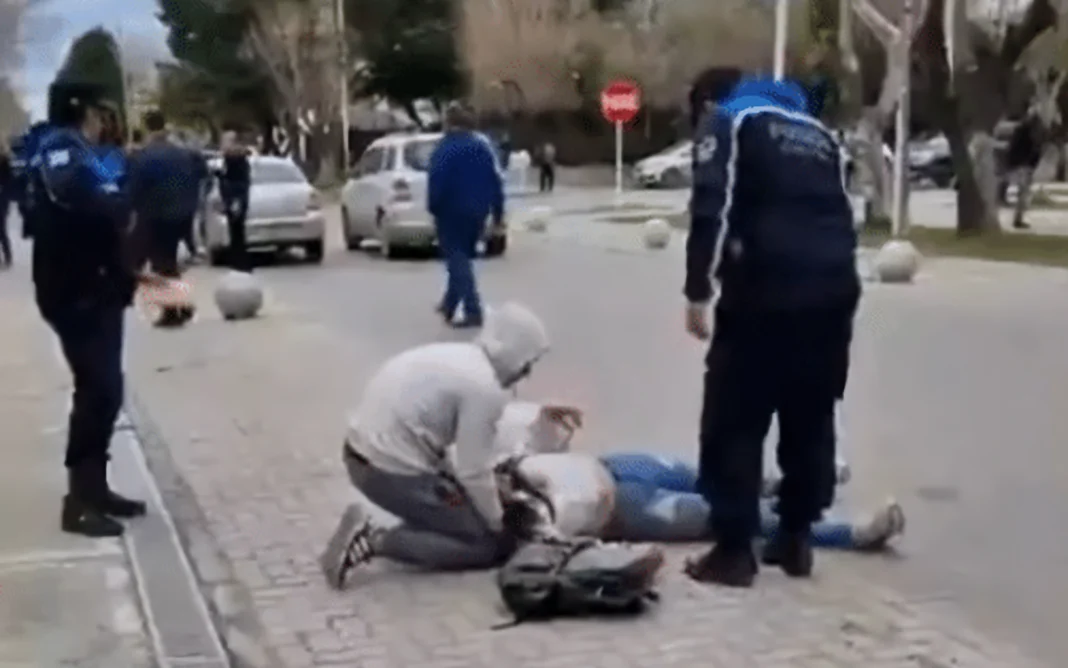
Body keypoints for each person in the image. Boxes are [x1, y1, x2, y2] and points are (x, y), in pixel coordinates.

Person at [683, 76, 861, 587]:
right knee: (811, 411)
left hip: (764, 289)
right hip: (834, 292)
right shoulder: (820, 135)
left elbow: (711, 207)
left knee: (734, 416)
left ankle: (734, 550)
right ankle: (796, 537)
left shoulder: (731, 122)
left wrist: (698, 291)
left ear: (712, 102)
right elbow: (846, 216)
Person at [318, 303, 582, 590]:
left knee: (466, 510)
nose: (527, 373)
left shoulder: (462, 359)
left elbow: (481, 431)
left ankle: (408, 524)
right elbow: (473, 470)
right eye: (527, 363)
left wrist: (538, 413)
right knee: (485, 545)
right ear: (513, 354)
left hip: (363, 455)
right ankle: (375, 538)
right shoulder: (484, 387)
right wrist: (496, 522)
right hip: (386, 470)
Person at [493, 402, 903, 552]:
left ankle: (802, 482)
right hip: (624, 511)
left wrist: (542, 419)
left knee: (723, 474)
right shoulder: (519, 520)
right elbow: (554, 542)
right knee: (741, 516)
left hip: (613, 466)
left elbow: (520, 439)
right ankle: (851, 534)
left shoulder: (493, 465)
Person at [30, 80, 162, 537]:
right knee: (98, 390)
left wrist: (127, 272)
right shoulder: (60, 150)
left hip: (100, 289)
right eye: (96, 111)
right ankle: (78, 500)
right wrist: (118, 206)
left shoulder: (86, 152)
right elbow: (86, 202)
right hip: (76, 295)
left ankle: (95, 487)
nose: (102, 120)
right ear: (79, 110)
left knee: (107, 390)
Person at [428, 102, 504, 329]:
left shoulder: (444, 149)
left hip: (451, 211)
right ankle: (450, 304)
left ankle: (473, 310)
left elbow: (437, 183)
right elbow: (495, 182)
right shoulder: (482, 148)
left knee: (456, 259)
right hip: (478, 212)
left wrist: (434, 207)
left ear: (448, 123)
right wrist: (498, 214)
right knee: (461, 256)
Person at [127, 110, 199, 327]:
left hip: (155, 216)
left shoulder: (144, 157)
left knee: (160, 264)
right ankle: (178, 307)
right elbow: (197, 178)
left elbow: (134, 188)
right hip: (181, 215)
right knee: (167, 262)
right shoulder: (182, 154)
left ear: (148, 129)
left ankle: (176, 309)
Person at [218, 131, 252, 271]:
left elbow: (235, 179)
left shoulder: (234, 157)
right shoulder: (235, 157)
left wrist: (222, 178)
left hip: (235, 197)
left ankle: (240, 261)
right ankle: (238, 260)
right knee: (236, 230)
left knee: (236, 230)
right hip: (235, 196)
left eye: (225, 141)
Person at [1006, 109, 1045, 229]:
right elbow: (1031, 150)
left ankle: (1018, 218)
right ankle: (1018, 219)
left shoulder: (1022, 131)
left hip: (1021, 164)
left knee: (1023, 193)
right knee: (1023, 193)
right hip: (1023, 165)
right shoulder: (1028, 133)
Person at [0, 144, 12, 266]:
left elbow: (9, 181)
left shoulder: (4, 162)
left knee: (1, 228)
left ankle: (8, 256)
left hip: (2, 199)